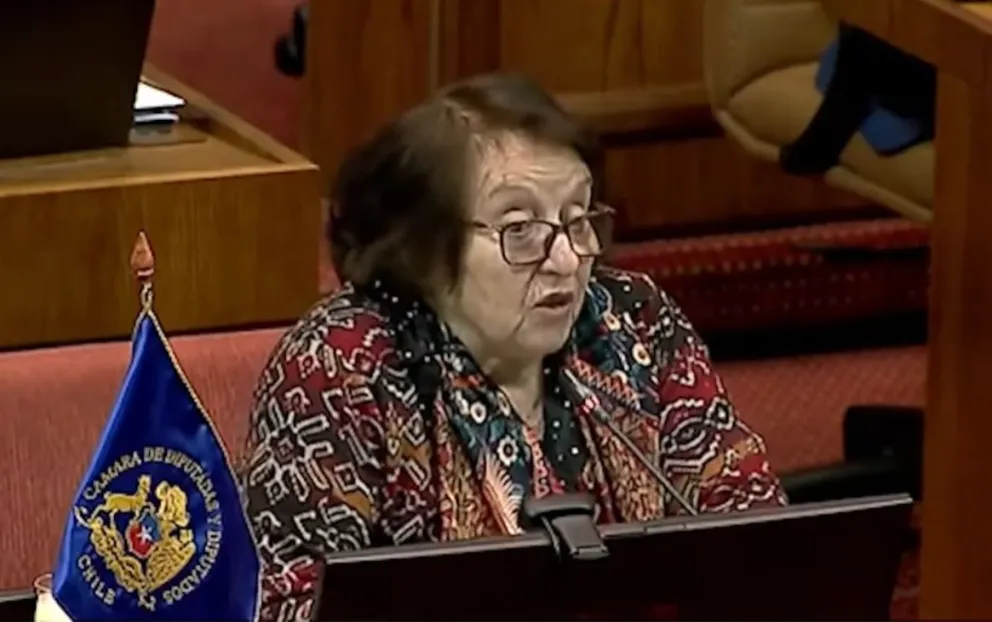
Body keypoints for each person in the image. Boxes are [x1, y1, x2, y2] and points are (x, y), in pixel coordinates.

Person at [240, 72, 786, 621]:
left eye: (579, 218)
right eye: (520, 228)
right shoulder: (343, 364)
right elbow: (292, 604)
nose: (568, 260)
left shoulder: (633, 320)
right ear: (425, 248)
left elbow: (754, 529)